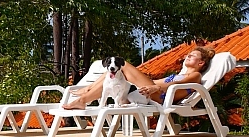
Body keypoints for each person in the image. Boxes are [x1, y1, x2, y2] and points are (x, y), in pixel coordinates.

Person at [62, 46, 216, 109]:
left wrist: (154, 86)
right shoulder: (180, 74)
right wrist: (138, 81)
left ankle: (84, 98)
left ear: (201, 62)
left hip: (161, 97)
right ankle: (87, 91)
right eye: (189, 54)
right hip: (155, 91)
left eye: (193, 56)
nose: (188, 56)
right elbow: (157, 82)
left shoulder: (195, 75)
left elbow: (172, 86)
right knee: (116, 72)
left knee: (122, 65)